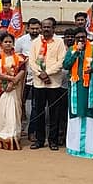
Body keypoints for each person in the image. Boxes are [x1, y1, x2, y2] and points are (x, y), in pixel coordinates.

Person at [62, 29, 93, 158]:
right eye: (78, 37)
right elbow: (66, 65)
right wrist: (76, 52)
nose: (81, 39)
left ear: (87, 37)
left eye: (83, 37)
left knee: (89, 116)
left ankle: (88, 149)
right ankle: (74, 148)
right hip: (76, 89)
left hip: (90, 89)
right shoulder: (72, 49)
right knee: (75, 117)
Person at [29, 17, 66, 151]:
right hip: (39, 83)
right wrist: (41, 74)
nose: (45, 29)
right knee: (39, 112)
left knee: (54, 114)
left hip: (54, 83)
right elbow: (31, 61)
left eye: (48, 27)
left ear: (53, 28)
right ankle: (39, 140)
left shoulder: (59, 42)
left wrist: (47, 73)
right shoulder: (35, 42)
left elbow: (61, 61)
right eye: (43, 27)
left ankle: (53, 141)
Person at [0, 34, 27, 150]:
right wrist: (9, 79)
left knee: (14, 112)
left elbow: (22, 70)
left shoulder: (19, 57)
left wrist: (14, 81)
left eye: (10, 41)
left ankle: (13, 135)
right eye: (5, 42)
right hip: (1, 89)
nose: (8, 44)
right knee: (1, 112)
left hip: (14, 89)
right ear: (1, 43)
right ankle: (0, 136)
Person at [16, 18, 42, 141]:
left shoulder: (43, 40)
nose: (35, 30)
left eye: (37, 28)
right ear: (27, 28)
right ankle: (18, 129)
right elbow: (15, 57)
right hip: (23, 77)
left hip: (38, 77)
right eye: (32, 28)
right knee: (19, 103)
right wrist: (24, 60)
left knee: (35, 106)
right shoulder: (21, 41)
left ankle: (32, 131)